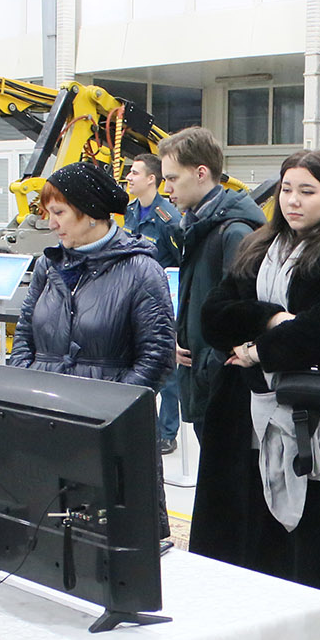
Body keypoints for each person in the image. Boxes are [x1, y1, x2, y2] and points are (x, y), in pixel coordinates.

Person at [190, 150, 320, 615]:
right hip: (247, 411)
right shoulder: (258, 247)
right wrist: (274, 318)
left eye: (307, 191)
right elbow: (213, 317)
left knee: (317, 548)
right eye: (287, 189)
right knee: (249, 540)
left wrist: (257, 350)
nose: (293, 200)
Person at [11, 160, 176, 537]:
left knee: (111, 536)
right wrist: (26, 392)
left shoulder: (140, 270)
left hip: (110, 430)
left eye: (58, 213)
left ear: (89, 213)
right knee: (49, 532)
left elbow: (156, 356)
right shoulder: (48, 266)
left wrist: (108, 410)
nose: (50, 223)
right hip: (47, 419)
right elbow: (24, 334)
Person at [158, 127, 266, 438]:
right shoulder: (196, 227)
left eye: (172, 178)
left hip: (224, 387)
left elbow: (242, 315)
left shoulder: (233, 233)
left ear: (201, 173)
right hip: (203, 379)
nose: (167, 189)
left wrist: (209, 361)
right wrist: (181, 337)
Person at [124, 152, 186, 453]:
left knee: (168, 371)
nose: (129, 177)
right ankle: (141, 428)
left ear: (152, 179)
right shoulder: (130, 211)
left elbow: (182, 263)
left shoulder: (169, 218)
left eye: (135, 173)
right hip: (135, 300)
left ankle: (167, 432)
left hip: (163, 301)